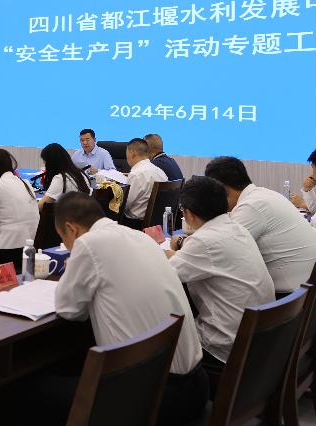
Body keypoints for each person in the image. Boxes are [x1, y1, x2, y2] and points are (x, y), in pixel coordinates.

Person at [55, 192, 208, 424]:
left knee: (32, 391)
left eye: (64, 240)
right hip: (195, 387)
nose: (68, 248)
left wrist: (73, 268)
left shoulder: (88, 243)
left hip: (151, 398)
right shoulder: (139, 237)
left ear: (71, 228)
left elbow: (68, 309)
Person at [167, 176, 275, 369]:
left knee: (156, 336)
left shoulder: (203, 242)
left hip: (224, 347)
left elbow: (164, 276)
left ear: (189, 214)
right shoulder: (237, 228)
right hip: (258, 340)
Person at [204, 156, 316, 296]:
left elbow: (220, 251)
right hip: (313, 290)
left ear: (223, 189)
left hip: (292, 297)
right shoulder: (264, 194)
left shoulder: (251, 206)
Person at [121, 138, 168, 225]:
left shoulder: (136, 174)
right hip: (158, 224)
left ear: (132, 154)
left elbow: (125, 205)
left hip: (135, 224)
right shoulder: (160, 172)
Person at [37, 143, 91, 209]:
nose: (44, 164)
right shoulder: (81, 173)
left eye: (45, 161)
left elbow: (41, 206)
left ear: (51, 163)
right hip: (84, 212)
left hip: (70, 214)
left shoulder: (61, 179)